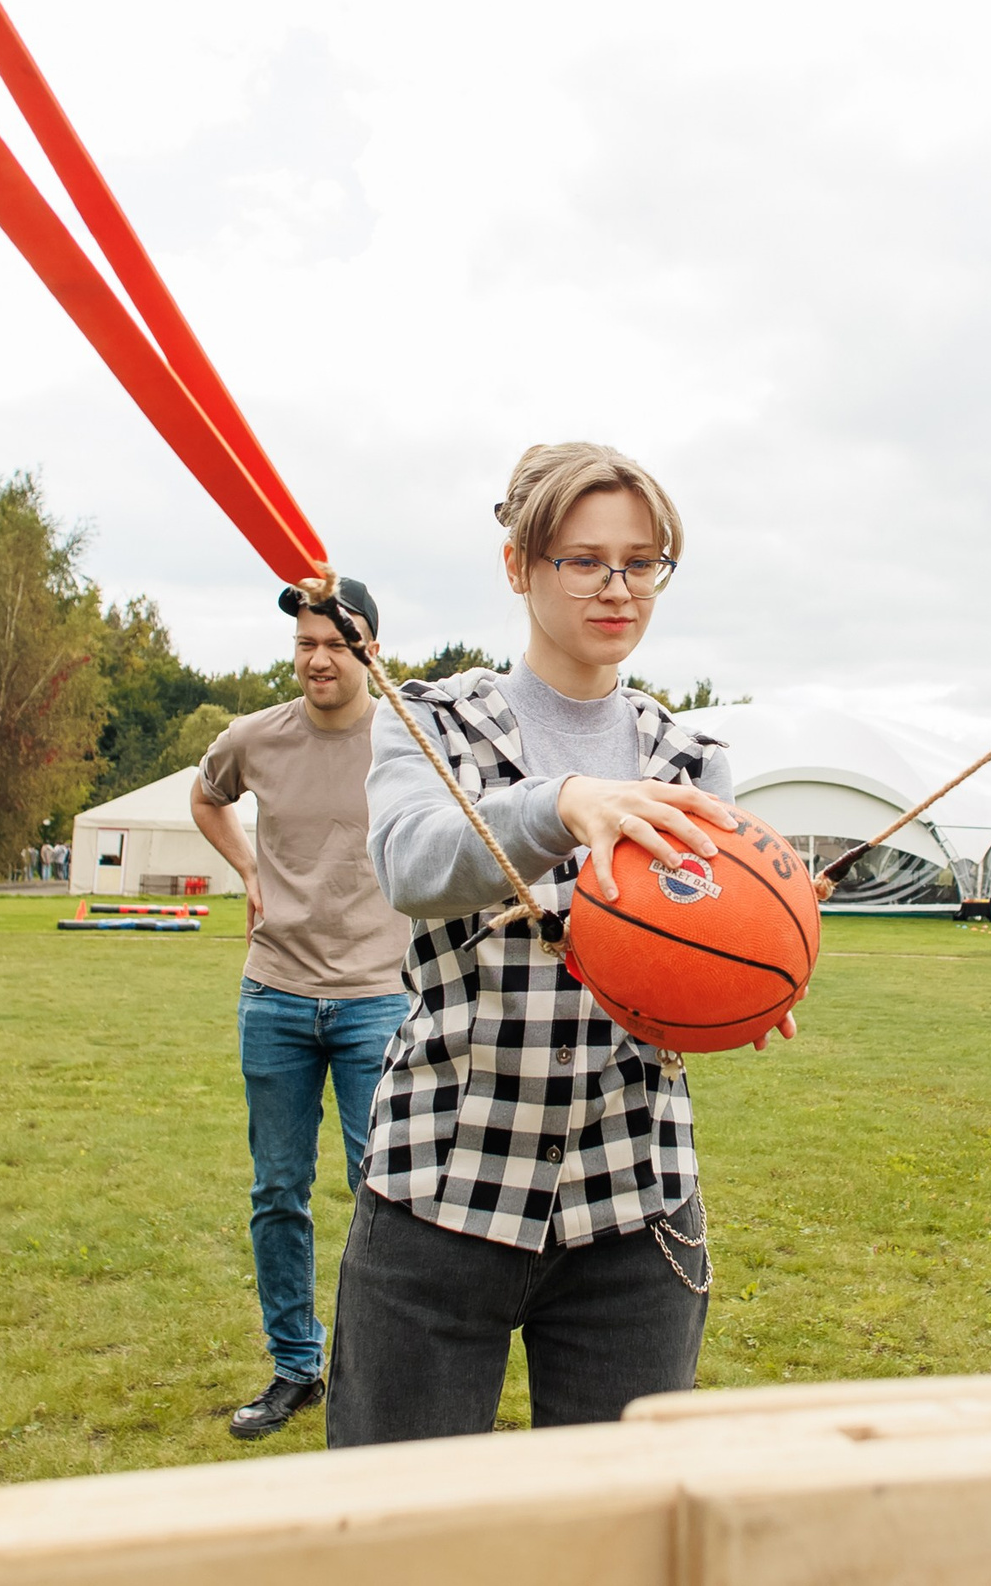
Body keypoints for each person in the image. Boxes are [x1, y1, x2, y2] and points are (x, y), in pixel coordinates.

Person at [326, 441, 794, 1446]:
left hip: (634, 1203)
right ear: (518, 567)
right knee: (396, 1526)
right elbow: (411, 861)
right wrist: (565, 803)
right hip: (443, 1188)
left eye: (641, 561)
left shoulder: (690, 755)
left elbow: (701, 929)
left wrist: (743, 983)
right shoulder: (434, 721)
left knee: (625, 1529)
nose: (616, 587)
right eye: (582, 560)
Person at [188, 578, 412, 1439]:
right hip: (275, 992)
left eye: (335, 643)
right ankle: (294, 1367)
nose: (318, 658)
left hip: (375, 1000)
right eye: (305, 644)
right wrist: (247, 871)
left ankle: (373, 1367)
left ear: (369, 651)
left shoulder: (405, 739)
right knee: (277, 1189)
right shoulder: (256, 738)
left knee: (380, 1190)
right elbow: (208, 795)